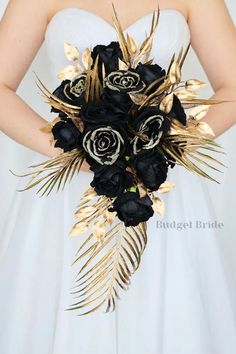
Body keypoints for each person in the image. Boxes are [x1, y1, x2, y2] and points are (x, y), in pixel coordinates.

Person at [0, 0, 236, 353]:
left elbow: (232, 86)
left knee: (169, 296)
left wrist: (166, 144)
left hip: (161, 185)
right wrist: (72, 150)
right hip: (67, 193)